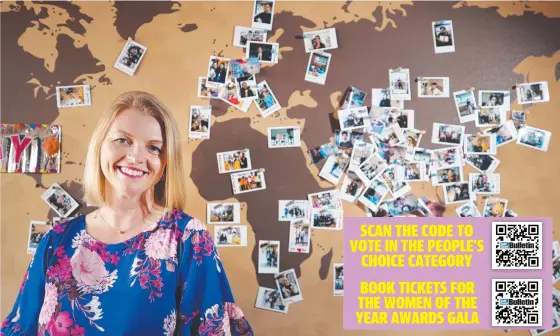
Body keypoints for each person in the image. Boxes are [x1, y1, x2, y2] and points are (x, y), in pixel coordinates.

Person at [1, 91, 253, 335]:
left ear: (164, 165)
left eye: (154, 148)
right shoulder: (57, 239)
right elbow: (21, 326)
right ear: (100, 147)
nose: (135, 157)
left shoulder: (187, 238)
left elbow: (214, 329)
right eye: (123, 140)